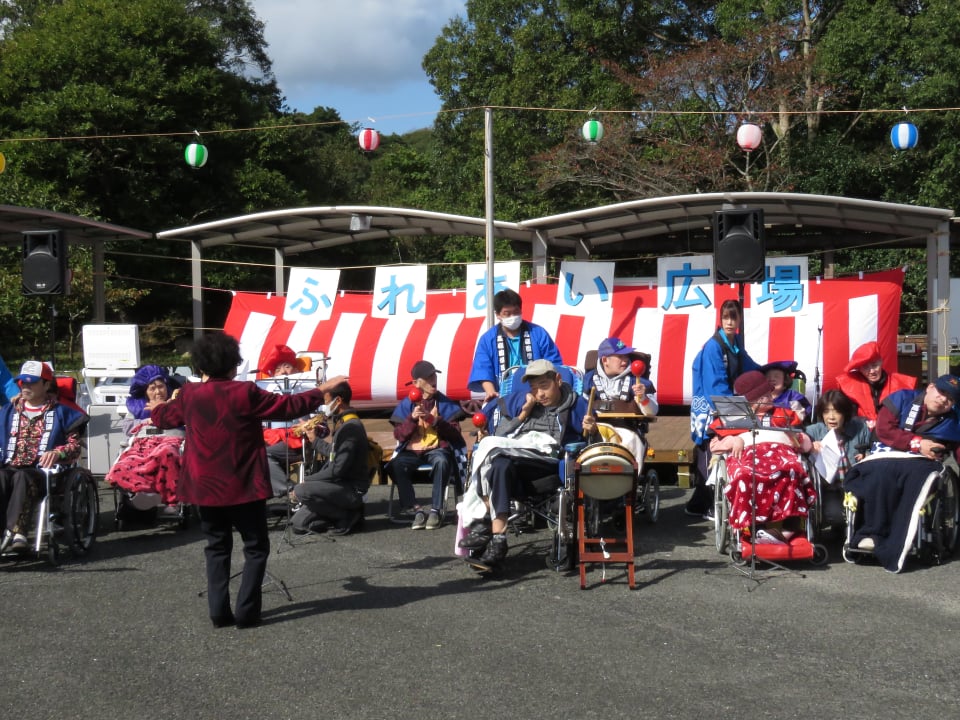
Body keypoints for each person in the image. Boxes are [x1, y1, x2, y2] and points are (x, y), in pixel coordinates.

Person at [150, 331, 347, 629]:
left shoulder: (190, 395)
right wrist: (321, 390)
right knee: (255, 546)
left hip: (205, 486)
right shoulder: (245, 392)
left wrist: (158, 406)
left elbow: (164, 418)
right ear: (233, 365)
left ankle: (219, 611)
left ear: (202, 366)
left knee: (216, 546)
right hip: (242, 484)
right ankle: (246, 612)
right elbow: (289, 406)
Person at [459, 359, 596, 571]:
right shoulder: (523, 403)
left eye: (544, 386)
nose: (539, 393)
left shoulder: (576, 404)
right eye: (534, 388)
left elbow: (591, 443)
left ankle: (481, 521)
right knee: (498, 463)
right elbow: (502, 435)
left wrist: (592, 429)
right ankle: (498, 539)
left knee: (493, 453)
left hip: (546, 464)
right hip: (513, 463)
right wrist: (524, 412)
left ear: (557, 380)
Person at [844, 375, 960, 572]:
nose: (943, 399)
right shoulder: (901, 399)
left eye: (950, 399)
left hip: (923, 463)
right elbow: (883, 429)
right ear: (930, 387)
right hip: (886, 454)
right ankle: (870, 534)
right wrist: (917, 443)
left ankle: (896, 540)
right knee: (879, 474)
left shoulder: (954, 421)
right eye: (941, 392)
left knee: (915, 480)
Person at [709, 371, 816, 544]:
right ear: (754, 399)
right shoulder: (733, 417)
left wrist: (796, 438)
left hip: (780, 454)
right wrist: (733, 439)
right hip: (748, 455)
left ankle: (790, 528)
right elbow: (714, 444)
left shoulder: (783, 414)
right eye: (766, 395)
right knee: (744, 475)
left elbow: (803, 442)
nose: (771, 396)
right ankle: (755, 528)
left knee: (793, 470)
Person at [0, 361, 88, 552]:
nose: (26, 386)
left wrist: (57, 452)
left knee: (22, 477)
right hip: (10, 465)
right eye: (23, 382)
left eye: (32, 382)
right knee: (3, 476)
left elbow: (74, 446)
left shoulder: (62, 413)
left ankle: (17, 532)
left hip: (43, 472)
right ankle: (5, 532)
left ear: (47, 384)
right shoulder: (8, 411)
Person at [687, 298, 760, 519]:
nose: (729, 322)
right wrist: (740, 412)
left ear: (739, 319)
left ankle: (700, 504)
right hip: (710, 405)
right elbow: (715, 386)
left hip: (723, 401)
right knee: (711, 452)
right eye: (725, 317)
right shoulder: (713, 346)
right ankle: (709, 503)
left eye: (733, 317)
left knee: (722, 450)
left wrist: (773, 373)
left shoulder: (735, 341)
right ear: (720, 319)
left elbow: (750, 367)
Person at [387, 360, 466, 530]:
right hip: (412, 450)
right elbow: (399, 435)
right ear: (416, 383)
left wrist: (435, 421)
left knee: (442, 461)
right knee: (396, 465)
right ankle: (416, 510)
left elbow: (455, 435)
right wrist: (412, 419)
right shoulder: (407, 404)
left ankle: (436, 510)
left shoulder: (445, 403)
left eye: (434, 375)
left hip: (437, 448)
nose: (433, 379)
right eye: (428, 377)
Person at [291, 381, 369, 536]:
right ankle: (335, 515)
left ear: (338, 400)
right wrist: (314, 440)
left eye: (326, 401)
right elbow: (334, 453)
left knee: (301, 490)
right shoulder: (342, 423)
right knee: (298, 524)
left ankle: (347, 515)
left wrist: (309, 480)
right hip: (338, 485)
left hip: (351, 489)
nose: (324, 405)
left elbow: (338, 469)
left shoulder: (351, 427)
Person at [105, 364, 184, 511]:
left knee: (167, 453)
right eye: (152, 388)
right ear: (145, 392)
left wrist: (162, 410)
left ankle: (167, 497)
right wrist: (146, 421)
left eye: (161, 387)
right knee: (125, 463)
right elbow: (127, 427)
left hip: (170, 440)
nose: (158, 391)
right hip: (143, 443)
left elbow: (186, 421)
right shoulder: (138, 407)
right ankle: (146, 492)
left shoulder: (176, 402)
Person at [467, 288, 563, 401]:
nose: (513, 316)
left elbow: (553, 363)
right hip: (503, 396)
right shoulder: (487, 339)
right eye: (507, 314)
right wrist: (491, 392)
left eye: (516, 312)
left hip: (538, 394)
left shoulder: (538, 333)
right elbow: (482, 369)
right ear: (498, 315)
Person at [582, 336, 657, 463]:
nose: (625, 360)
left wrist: (643, 398)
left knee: (631, 441)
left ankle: (629, 478)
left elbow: (652, 412)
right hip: (597, 427)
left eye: (627, 356)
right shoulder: (588, 380)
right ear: (605, 360)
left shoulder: (637, 381)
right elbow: (581, 406)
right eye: (620, 357)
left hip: (626, 428)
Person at [259, 344, 314, 497]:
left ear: (296, 370)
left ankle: (290, 491)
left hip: (296, 442)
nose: (283, 371)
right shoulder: (266, 393)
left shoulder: (307, 390)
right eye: (277, 369)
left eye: (287, 366)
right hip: (269, 440)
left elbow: (319, 422)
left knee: (262, 455)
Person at [835, 341, 916, 428]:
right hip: (861, 432)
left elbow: (909, 415)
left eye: (874, 365)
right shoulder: (849, 387)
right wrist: (864, 422)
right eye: (866, 367)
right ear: (859, 369)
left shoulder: (901, 384)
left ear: (881, 362)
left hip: (893, 433)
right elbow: (846, 416)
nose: (872, 371)